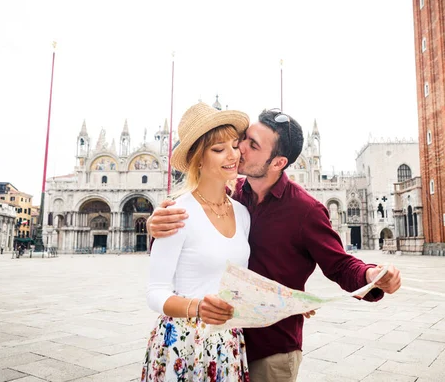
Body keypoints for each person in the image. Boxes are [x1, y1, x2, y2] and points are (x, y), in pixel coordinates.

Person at [148, 109, 402, 382]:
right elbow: (188, 247)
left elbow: (339, 264)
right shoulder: (233, 194)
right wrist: (156, 228)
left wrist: (370, 276)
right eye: (241, 140)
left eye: (250, 145)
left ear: (278, 162)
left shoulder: (305, 210)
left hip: (271, 348)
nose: (239, 150)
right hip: (221, 341)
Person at [141, 102, 252, 382]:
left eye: (235, 145)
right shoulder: (176, 213)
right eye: (218, 149)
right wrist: (198, 308)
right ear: (198, 159)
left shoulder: (242, 213)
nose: (232, 155)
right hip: (184, 341)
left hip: (227, 342)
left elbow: (238, 282)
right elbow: (155, 292)